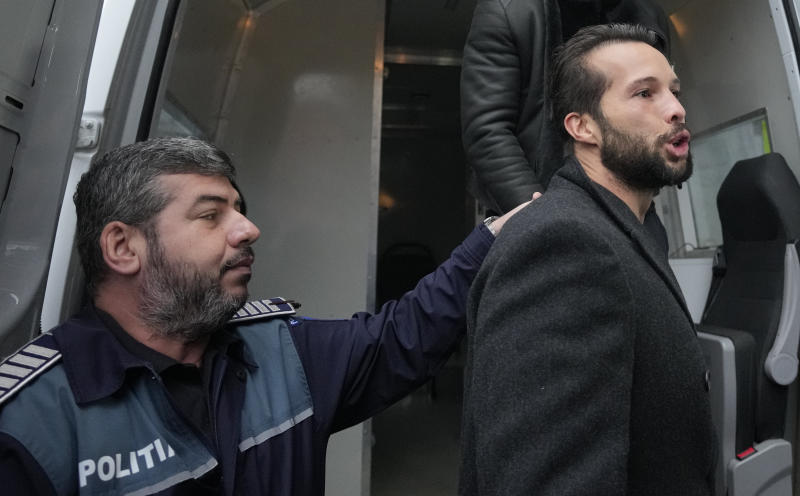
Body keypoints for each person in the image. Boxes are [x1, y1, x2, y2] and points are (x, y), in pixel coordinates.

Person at [0, 137, 527, 495]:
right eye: (211, 215)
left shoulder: (282, 352)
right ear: (122, 247)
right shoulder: (32, 421)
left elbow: (404, 336)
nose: (247, 229)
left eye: (239, 210)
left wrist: (492, 240)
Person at [459, 24, 716, 495]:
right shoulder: (563, 245)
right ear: (583, 127)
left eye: (674, 92)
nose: (676, 109)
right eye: (645, 93)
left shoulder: (628, 231)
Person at [460, 0, 671, 215]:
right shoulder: (508, 7)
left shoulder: (649, 15)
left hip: (629, 211)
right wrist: (538, 215)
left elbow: (657, 106)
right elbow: (487, 129)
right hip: (532, 207)